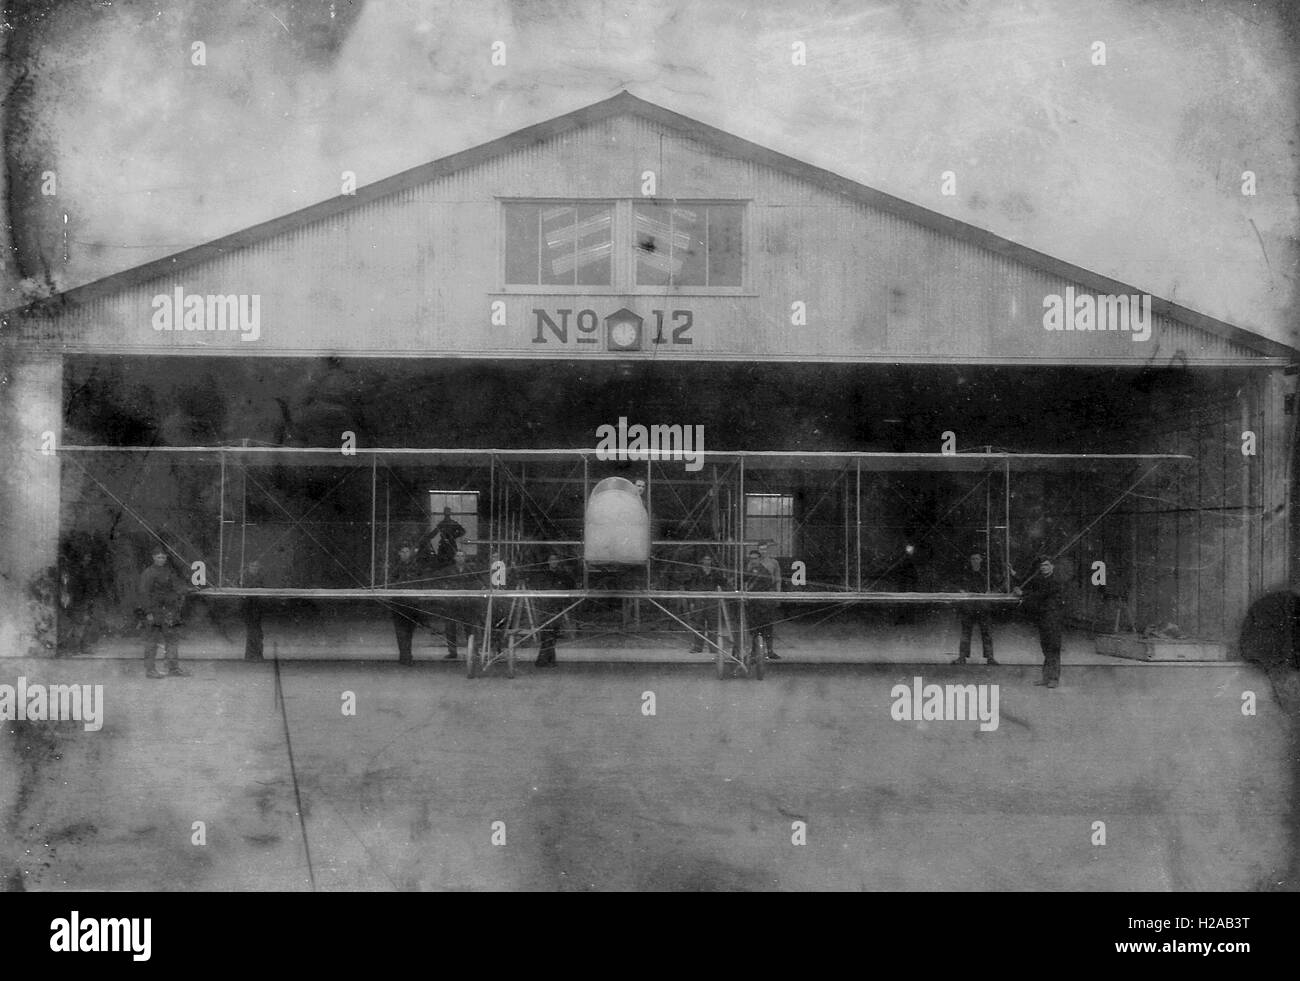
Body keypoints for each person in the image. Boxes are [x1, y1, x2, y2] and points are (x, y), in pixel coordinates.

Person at [137, 546, 190, 678]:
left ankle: (173, 668)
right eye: (158, 557)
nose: (161, 559)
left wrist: (186, 589)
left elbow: (176, 587)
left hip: (168, 612)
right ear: (153, 558)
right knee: (152, 642)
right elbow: (144, 593)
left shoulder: (169, 572)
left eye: (163, 557)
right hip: (154, 611)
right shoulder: (148, 573)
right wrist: (148, 612)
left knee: (172, 640)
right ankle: (150, 670)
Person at [1016, 556, 1065, 688]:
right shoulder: (1041, 580)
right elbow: (1033, 589)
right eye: (1042, 566)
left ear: (1052, 566)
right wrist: (1021, 588)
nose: (1044, 567)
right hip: (1044, 618)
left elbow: (1041, 594)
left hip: (1053, 618)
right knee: (1046, 648)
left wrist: (1023, 594)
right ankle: (1046, 678)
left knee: (1053, 648)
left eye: (1047, 565)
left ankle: (1054, 678)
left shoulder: (1055, 580)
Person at [951, 550, 997, 665]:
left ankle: (990, 657)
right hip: (968, 606)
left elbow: (995, 586)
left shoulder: (987, 574)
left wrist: (990, 593)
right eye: (973, 559)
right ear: (970, 561)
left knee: (986, 633)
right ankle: (962, 657)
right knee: (965, 632)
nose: (975, 561)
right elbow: (957, 585)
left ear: (981, 560)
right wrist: (961, 591)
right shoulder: (965, 573)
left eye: (977, 559)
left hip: (983, 606)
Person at [439, 550, 483, 661]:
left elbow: (477, 583)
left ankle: (474, 650)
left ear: (465, 558)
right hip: (453, 603)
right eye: (457, 556)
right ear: (454, 558)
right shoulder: (448, 570)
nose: (460, 558)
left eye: (462, 556)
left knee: (470, 627)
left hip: (467, 603)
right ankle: (452, 652)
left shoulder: (471, 570)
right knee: (450, 627)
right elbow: (444, 583)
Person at [531, 552, 573, 667]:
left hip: (556, 605)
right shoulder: (543, 574)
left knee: (552, 632)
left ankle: (546, 660)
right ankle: (547, 660)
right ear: (548, 561)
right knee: (547, 632)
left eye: (556, 559)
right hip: (546, 605)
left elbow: (568, 586)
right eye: (551, 559)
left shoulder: (562, 574)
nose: (554, 561)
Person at [388, 544, 425, 665]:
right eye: (402, 552)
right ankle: (405, 655)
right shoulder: (395, 567)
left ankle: (406, 654)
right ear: (399, 554)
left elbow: (421, 582)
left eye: (407, 551)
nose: (405, 554)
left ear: (410, 553)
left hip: (412, 603)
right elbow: (390, 582)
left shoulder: (417, 567)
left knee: (409, 631)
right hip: (399, 603)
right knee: (400, 631)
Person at [686, 552, 728, 654]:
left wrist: (724, 574)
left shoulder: (715, 572)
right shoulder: (696, 572)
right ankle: (697, 647)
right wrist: (691, 601)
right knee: (698, 624)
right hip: (699, 600)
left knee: (713, 625)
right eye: (705, 559)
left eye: (709, 559)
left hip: (712, 601)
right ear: (702, 561)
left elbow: (723, 583)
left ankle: (713, 647)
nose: (707, 561)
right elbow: (691, 587)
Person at [754, 542, 783, 659]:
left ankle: (770, 650)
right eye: (760, 549)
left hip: (768, 595)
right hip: (756, 596)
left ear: (768, 550)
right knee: (756, 625)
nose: (763, 551)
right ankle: (755, 651)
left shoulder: (774, 562)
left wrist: (778, 595)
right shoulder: (754, 562)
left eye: (765, 549)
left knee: (769, 624)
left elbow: (778, 579)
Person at [242, 559, 266, 660]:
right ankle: (252, 654)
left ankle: (255, 654)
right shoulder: (244, 577)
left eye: (256, 567)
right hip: (248, 606)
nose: (254, 569)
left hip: (257, 606)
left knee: (256, 631)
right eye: (252, 567)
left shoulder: (260, 577)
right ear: (248, 567)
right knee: (253, 631)